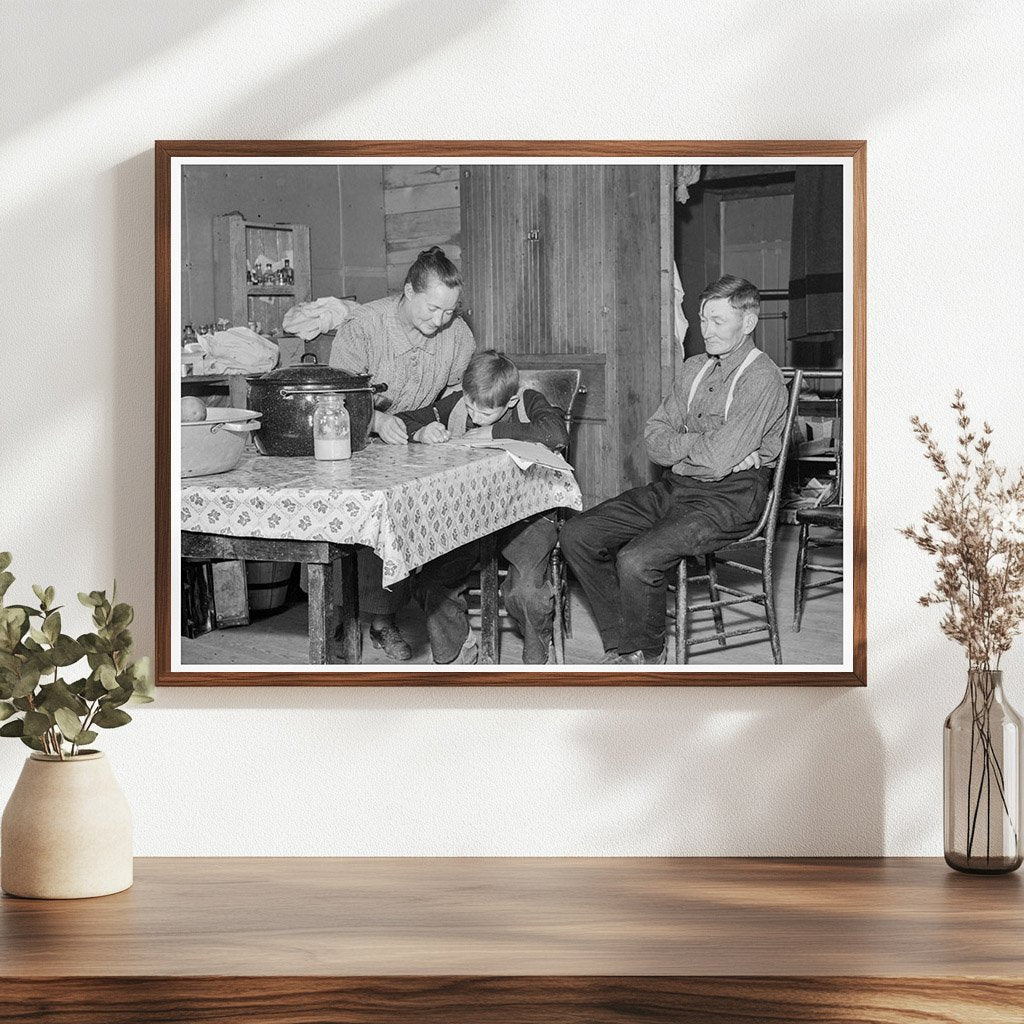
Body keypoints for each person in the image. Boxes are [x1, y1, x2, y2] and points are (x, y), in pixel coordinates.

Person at [559, 275, 788, 665]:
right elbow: (653, 437)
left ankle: (647, 654)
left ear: (747, 323)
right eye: (703, 319)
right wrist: (699, 447)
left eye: (718, 321)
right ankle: (623, 640)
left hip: (731, 498)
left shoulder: (762, 377)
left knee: (636, 559)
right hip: (677, 486)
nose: (707, 331)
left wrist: (688, 446)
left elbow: (717, 462)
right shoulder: (693, 368)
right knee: (577, 534)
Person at [330, 247, 476, 659]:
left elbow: (453, 395)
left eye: (449, 311)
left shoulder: (457, 334)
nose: (440, 320)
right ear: (408, 291)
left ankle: (384, 618)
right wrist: (376, 422)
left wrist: (441, 426)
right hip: (357, 442)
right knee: (365, 524)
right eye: (433, 309)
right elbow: (338, 395)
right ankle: (347, 617)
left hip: (415, 443)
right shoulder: (363, 328)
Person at [396, 349, 569, 665]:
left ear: (510, 402)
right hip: (471, 518)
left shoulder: (528, 402)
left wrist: (494, 431)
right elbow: (406, 419)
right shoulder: (463, 404)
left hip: (528, 518)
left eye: (485, 412)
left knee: (526, 593)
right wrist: (421, 431)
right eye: (470, 404)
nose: (474, 416)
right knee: (432, 583)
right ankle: (460, 649)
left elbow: (555, 433)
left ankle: (537, 657)